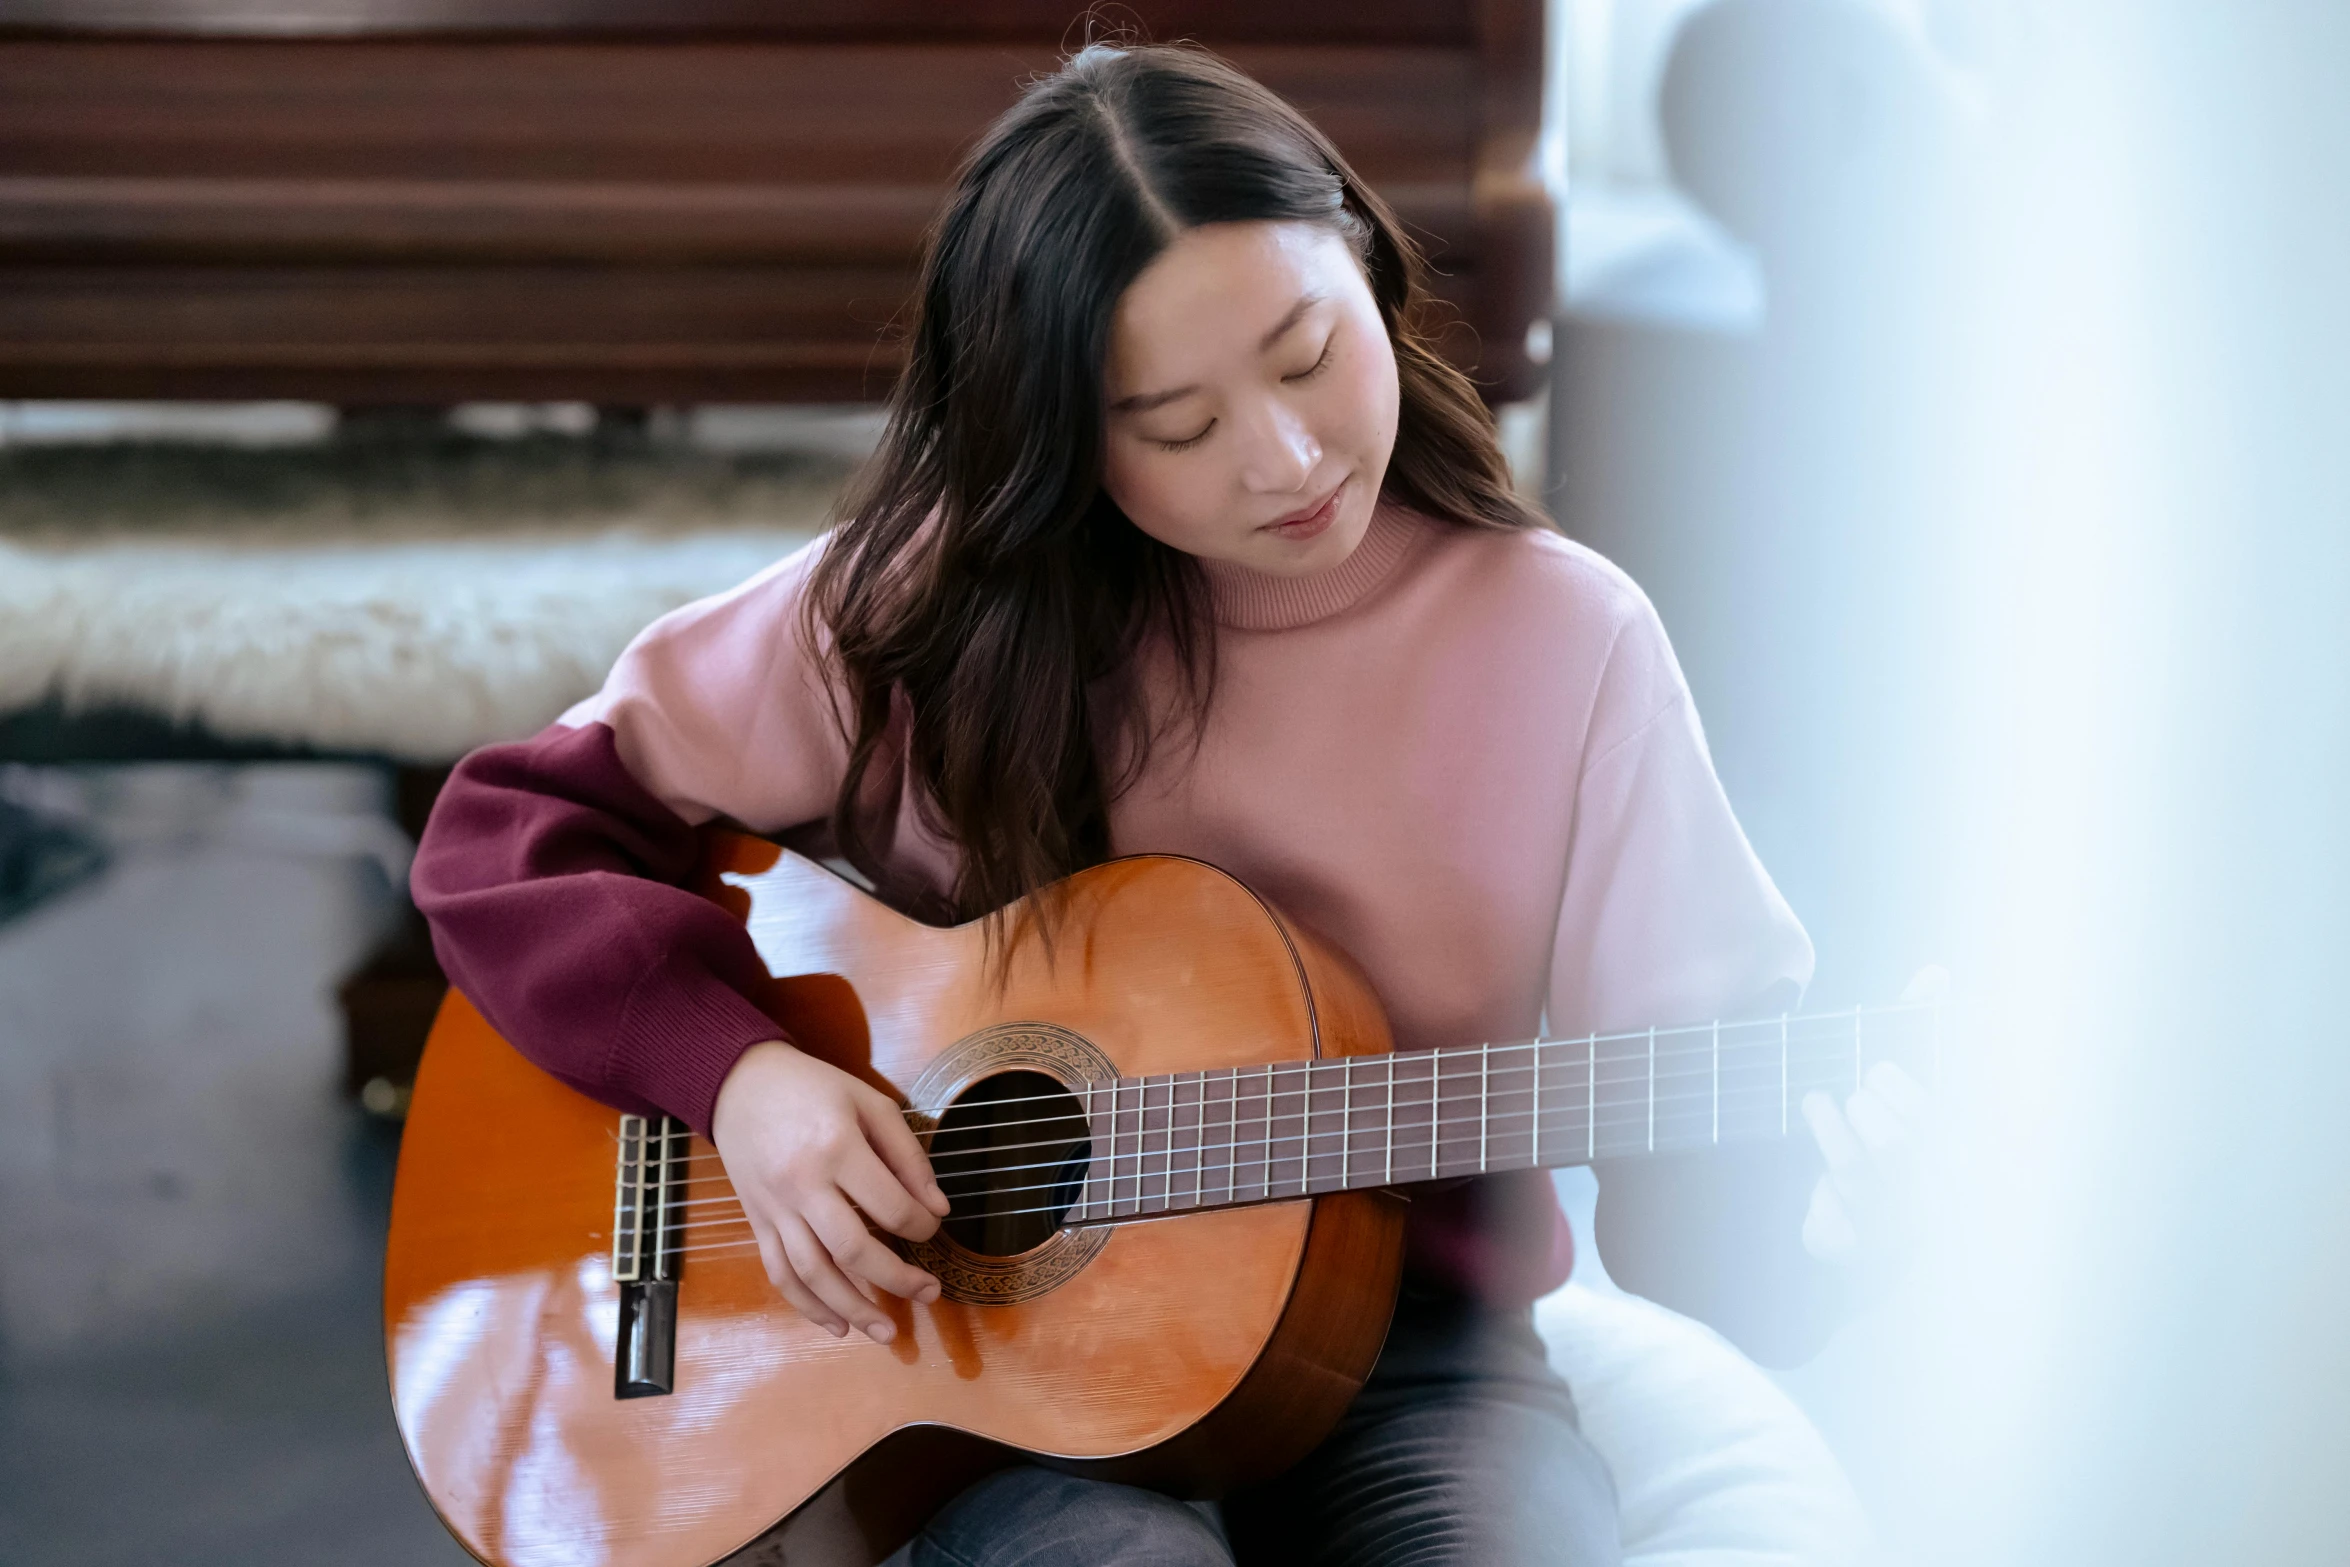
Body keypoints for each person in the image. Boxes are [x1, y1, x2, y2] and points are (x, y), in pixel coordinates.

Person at [412, 43, 1922, 1567]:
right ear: (1058, 435)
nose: (1285, 458)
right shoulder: (936, 601)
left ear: (1363, 258)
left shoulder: (1569, 641)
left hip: (1409, 1357)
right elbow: (507, 837)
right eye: (1176, 426)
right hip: (973, 1374)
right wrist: (735, 1074)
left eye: (1306, 349)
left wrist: (1834, 1217)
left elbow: (1698, 1182)